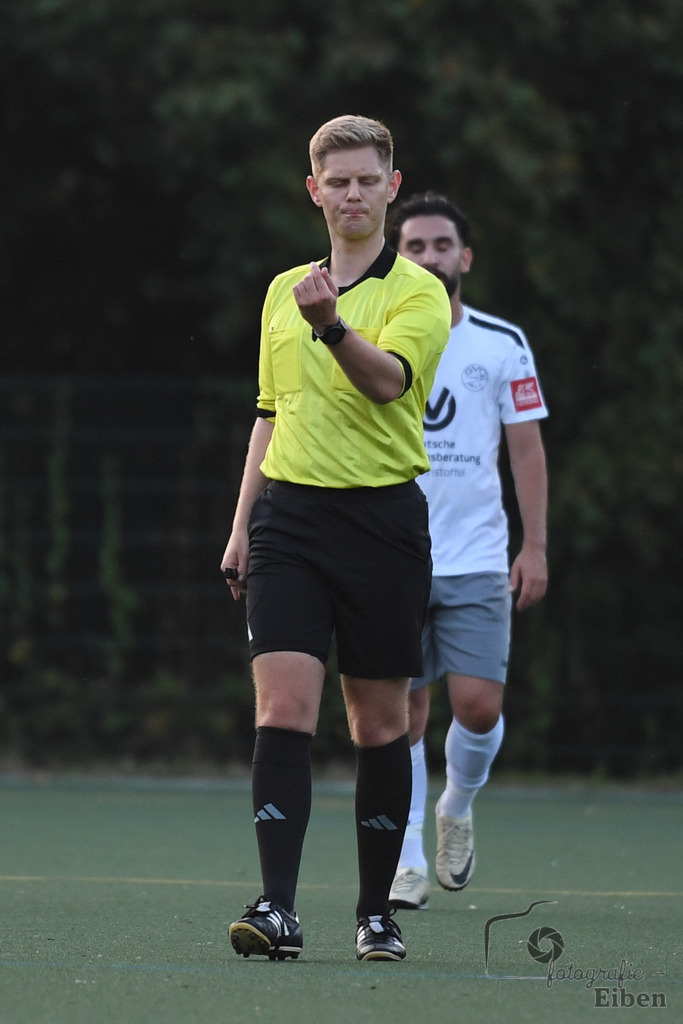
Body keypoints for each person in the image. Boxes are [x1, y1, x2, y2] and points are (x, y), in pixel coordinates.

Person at [220, 119, 451, 961]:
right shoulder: (285, 287)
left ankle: (374, 912)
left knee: (377, 721)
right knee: (280, 706)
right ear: (312, 191)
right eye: (337, 182)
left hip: (381, 521)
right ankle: (275, 909)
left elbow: (390, 384)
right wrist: (243, 525)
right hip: (289, 519)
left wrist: (331, 327)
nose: (352, 195)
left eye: (366, 180)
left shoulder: (419, 291)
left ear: (391, 188)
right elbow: (268, 413)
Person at [385, 193, 549, 911]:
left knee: (477, 708)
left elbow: (526, 452)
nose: (428, 257)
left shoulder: (500, 343)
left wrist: (534, 544)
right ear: (398, 256)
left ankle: (456, 803)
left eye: (440, 245)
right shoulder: (374, 336)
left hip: (478, 557)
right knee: (403, 715)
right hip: (391, 553)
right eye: (414, 246)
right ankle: (406, 858)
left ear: (464, 257)